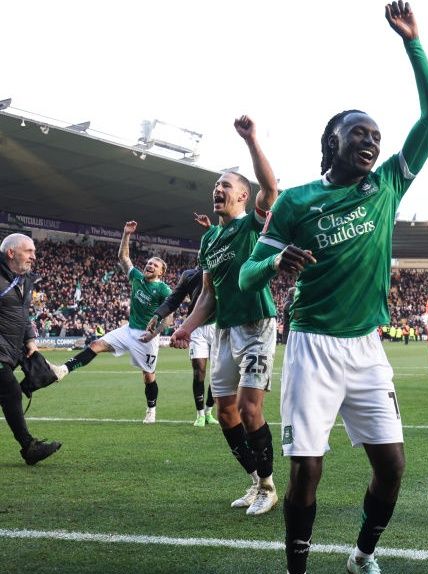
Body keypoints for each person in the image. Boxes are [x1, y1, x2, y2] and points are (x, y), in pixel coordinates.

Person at [238, 3, 428, 574]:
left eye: (376, 136)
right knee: (307, 469)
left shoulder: (386, 187)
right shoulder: (297, 202)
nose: (372, 142)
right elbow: (247, 273)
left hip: (366, 347)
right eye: (359, 133)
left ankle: (361, 555)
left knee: (393, 465)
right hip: (312, 345)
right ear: (331, 142)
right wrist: (277, 258)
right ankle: (297, 570)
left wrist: (413, 43)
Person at [170, 115, 281, 516]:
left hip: (257, 324)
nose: (218, 190)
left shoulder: (252, 224)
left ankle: (269, 487)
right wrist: (185, 327)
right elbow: (208, 294)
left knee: (251, 408)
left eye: (226, 186)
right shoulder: (209, 239)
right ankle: (255, 481)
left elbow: (271, 189)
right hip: (224, 331)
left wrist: (252, 140)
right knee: (225, 411)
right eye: (216, 185)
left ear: (242, 197)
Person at [60, 221, 171, 423]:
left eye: (155, 264)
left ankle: (151, 409)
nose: (149, 265)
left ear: (161, 272)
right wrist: (126, 234)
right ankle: (63, 370)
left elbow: (169, 319)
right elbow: (124, 257)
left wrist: (154, 334)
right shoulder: (137, 277)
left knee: (148, 376)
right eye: (149, 262)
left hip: (147, 338)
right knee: (95, 345)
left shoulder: (164, 290)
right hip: (128, 330)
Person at [146, 213, 219, 428]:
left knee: (217, 374)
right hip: (195, 328)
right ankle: (198, 414)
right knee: (199, 371)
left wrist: (210, 229)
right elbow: (174, 299)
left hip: (218, 326)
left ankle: (209, 411)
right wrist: (158, 313)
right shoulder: (188, 275)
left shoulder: (219, 271)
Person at [0, 233, 62, 465]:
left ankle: (29, 447)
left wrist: (30, 340)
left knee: (7, 393)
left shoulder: (24, 281)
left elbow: (24, 316)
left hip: (12, 349)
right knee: (11, 391)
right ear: (11, 253)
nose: (34, 257)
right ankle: (29, 447)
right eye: (29, 251)